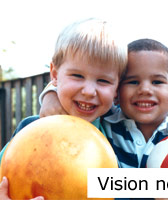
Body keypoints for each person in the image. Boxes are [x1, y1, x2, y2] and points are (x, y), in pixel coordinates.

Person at [37, 38, 168, 169]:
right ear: (116, 92)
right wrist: (51, 94)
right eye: (133, 81)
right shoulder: (103, 122)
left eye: (157, 82)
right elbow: (72, 97)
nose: (145, 89)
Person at [0, 18, 128, 200]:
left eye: (103, 81)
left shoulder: (119, 134)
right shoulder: (30, 130)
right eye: (77, 76)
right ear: (54, 74)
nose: (89, 91)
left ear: (116, 89)